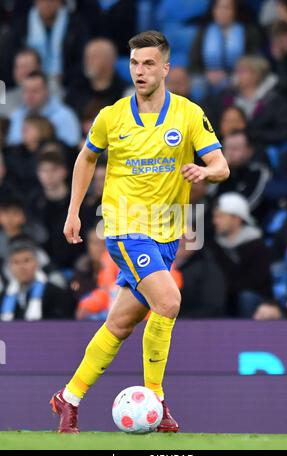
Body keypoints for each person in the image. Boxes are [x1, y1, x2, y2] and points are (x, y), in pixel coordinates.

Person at [50, 30, 229, 433]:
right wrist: (74, 210)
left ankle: (69, 397)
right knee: (167, 301)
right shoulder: (111, 116)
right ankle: (158, 401)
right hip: (124, 229)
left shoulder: (187, 114)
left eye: (149, 63)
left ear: (165, 68)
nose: (140, 71)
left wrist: (205, 171)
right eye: (134, 63)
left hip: (166, 238)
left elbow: (222, 166)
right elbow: (86, 158)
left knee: (120, 324)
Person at [211, 192, 272, 317]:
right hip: (223, 299)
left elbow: (257, 282)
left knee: (246, 298)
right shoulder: (212, 245)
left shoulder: (257, 245)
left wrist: (226, 288)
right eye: (215, 217)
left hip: (253, 301)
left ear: (236, 219)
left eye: (220, 216)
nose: (215, 221)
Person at [0, 240, 74, 321]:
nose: (21, 267)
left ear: (36, 263)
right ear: (10, 267)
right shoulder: (3, 296)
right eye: (16, 262)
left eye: (26, 260)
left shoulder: (56, 293)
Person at [7, 72, 81, 147]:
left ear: (46, 92)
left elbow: (72, 150)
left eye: (34, 91)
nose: (29, 96)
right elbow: (12, 146)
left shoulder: (65, 116)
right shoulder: (17, 116)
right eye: (26, 91)